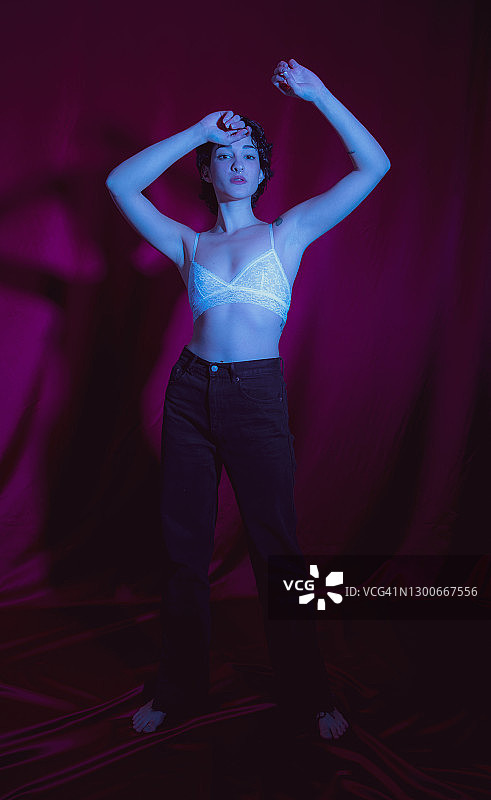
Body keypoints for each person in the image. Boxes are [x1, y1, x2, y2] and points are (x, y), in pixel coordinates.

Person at [106, 58, 390, 740]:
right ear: (207, 172)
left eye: (248, 156)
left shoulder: (288, 231)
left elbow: (372, 166)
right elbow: (119, 183)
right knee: (184, 551)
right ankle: (178, 689)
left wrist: (318, 93)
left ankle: (310, 692)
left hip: (256, 397)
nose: (237, 164)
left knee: (277, 549)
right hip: (189, 395)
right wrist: (197, 131)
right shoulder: (187, 242)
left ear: (262, 172)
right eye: (223, 156)